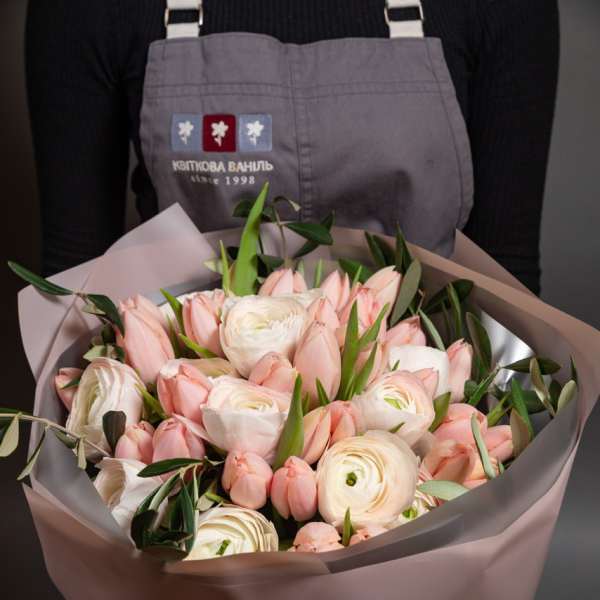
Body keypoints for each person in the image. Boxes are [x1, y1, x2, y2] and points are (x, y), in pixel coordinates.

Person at [26, 0, 559, 294]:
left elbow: (507, 281)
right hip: (182, 428)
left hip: (432, 423)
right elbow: (74, 280)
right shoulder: (86, 10)